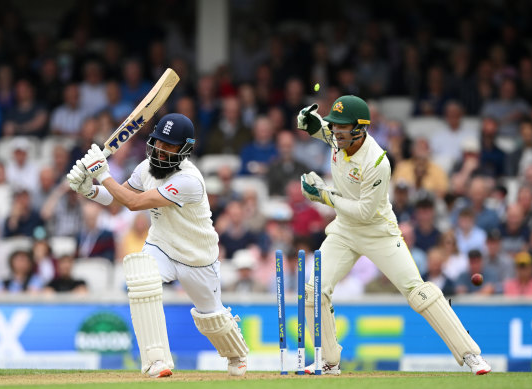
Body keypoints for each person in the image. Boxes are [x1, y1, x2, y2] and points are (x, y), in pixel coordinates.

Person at [296, 95, 491, 375]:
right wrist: (310, 124)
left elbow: (364, 212)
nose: (335, 132)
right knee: (313, 290)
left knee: (418, 292)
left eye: (341, 127)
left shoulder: (377, 162)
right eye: (333, 126)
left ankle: (471, 355)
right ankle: (328, 361)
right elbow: (324, 132)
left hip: (378, 232)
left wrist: (324, 196)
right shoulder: (340, 139)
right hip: (344, 230)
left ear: (359, 129)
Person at [66, 113, 248, 378]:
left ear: (184, 149)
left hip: (196, 257)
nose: (161, 151)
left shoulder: (189, 181)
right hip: (161, 245)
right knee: (141, 280)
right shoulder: (145, 168)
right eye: (158, 143)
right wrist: (90, 190)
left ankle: (237, 353)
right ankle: (156, 361)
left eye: (169, 146)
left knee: (212, 317)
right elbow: (120, 197)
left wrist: (103, 174)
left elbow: (135, 203)